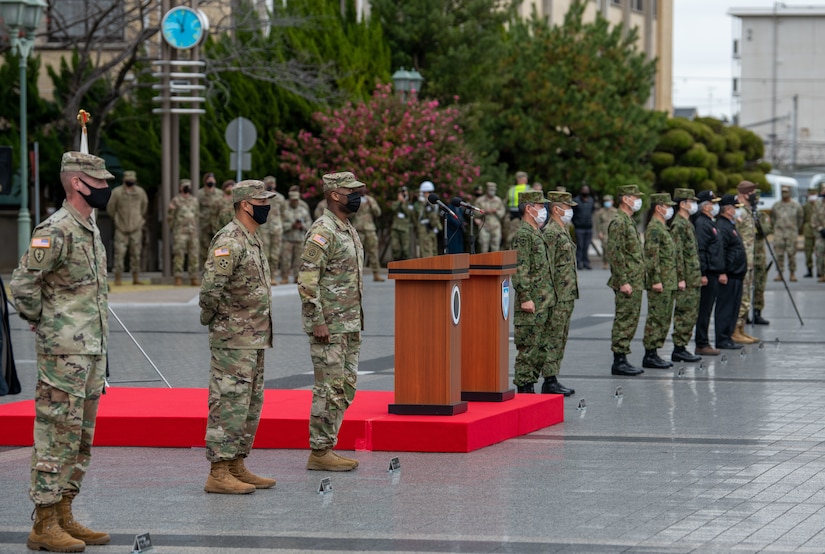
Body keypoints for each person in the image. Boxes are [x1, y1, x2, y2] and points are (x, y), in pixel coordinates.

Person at [10, 151, 114, 552]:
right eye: (100, 182)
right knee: (55, 435)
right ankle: (44, 521)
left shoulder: (90, 227)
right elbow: (22, 284)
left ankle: (66, 512)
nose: (106, 188)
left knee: (81, 437)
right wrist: (45, 320)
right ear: (77, 183)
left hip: (90, 351)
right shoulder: (54, 229)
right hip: (63, 353)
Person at [199, 179, 276, 495]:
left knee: (248, 403)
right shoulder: (229, 239)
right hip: (233, 338)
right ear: (246, 204)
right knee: (228, 402)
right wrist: (215, 321)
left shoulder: (252, 239)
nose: (266, 206)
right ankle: (218, 471)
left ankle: (236, 464)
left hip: (254, 337)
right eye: (262, 201)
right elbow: (210, 289)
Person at [298, 172, 365, 471]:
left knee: (345, 387)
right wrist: (317, 321)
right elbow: (307, 281)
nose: (356, 195)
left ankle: (328, 445)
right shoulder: (323, 231)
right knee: (328, 388)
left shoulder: (347, 228)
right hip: (330, 326)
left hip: (349, 324)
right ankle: (320, 451)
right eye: (349, 191)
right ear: (334, 195)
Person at [511, 190, 555, 393]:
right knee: (528, 349)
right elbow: (521, 269)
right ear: (529, 208)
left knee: (540, 348)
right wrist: (525, 297)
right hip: (531, 303)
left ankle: (530, 386)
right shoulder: (523, 235)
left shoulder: (536, 232)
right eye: (540, 206)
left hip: (544, 301)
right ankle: (524, 388)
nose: (544, 210)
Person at [540, 191, 578, 396]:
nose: (570, 211)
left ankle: (553, 377)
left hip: (566, 294)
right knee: (553, 337)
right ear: (556, 209)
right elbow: (547, 267)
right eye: (568, 207)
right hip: (557, 295)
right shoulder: (551, 232)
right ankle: (549, 379)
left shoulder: (562, 229)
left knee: (560, 337)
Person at [606, 185, 645, 376]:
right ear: (625, 199)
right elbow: (616, 253)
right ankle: (619, 360)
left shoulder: (628, 220)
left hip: (635, 279)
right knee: (624, 319)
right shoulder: (618, 221)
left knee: (631, 319)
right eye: (635, 197)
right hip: (627, 280)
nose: (638, 200)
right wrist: (622, 281)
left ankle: (623, 357)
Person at [641, 193, 678, 369]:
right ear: (659, 207)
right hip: (660, 281)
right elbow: (651, 256)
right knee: (656, 318)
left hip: (668, 280)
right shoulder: (654, 228)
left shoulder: (663, 227)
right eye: (667, 206)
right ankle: (650, 354)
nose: (670, 209)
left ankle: (655, 352)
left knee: (664, 318)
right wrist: (655, 279)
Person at [669, 188, 702, 362]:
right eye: (692, 202)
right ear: (683, 204)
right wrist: (681, 277)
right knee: (684, 312)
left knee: (691, 313)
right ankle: (678, 348)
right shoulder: (678, 225)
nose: (695, 205)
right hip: (686, 279)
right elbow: (678, 254)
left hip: (693, 277)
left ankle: (682, 346)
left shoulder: (687, 223)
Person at [715, 194, 747, 350]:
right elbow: (721, 251)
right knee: (725, 308)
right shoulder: (722, 226)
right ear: (727, 210)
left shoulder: (729, 224)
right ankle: (722, 338)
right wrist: (722, 271)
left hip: (736, 274)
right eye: (734, 208)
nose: (736, 211)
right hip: (729, 274)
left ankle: (727, 337)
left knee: (733, 308)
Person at [694, 190, 724, 355]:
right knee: (704, 311)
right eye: (712, 203)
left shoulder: (709, 222)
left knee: (707, 310)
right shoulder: (702, 223)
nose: (715, 206)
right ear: (705, 206)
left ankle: (704, 341)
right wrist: (703, 273)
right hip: (708, 274)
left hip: (713, 272)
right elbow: (701, 250)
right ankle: (701, 343)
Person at [107, 169, 147, 285]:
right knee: (119, 253)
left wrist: (138, 218)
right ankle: (118, 277)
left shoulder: (140, 192)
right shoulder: (117, 192)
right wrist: (116, 219)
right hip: (121, 227)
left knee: (136, 254)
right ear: (124, 179)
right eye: (128, 179)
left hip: (136, 227)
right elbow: (111, 208)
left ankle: (136, 277)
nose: (130, 181)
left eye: (132, 179)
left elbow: (144, 206)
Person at [733, 181, 760, 344]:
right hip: (741, 262)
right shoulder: (738, 212)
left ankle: (741, 329)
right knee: (741, 296)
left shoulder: (748, 211)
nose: (755, 195)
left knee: (746, 296)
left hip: (749, 262)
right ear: (745, 194)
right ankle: (735, 330)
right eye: (753, 192)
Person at [168, 178, 200, 286]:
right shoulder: (176, 200)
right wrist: (174, 228)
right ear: (180, 188)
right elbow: (170, 217)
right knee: (179, 254)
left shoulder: (194, 200)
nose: (187, 187)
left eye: (188, 186)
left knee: (194, 255)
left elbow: (196, 215)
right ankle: (178, 277)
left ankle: (193, 277)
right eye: (184, 186)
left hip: (192, 231)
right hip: (180, 232)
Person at [256, 176, 286, 286]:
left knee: (275, 254)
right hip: (263, 228)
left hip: (276, 228)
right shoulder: (260, 197)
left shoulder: (280, 198)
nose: (270, 185)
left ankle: (273, 276)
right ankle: (264, 276)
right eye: (268, 183)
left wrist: (279, 224)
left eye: (272, 183)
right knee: (265, 253)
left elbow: (283, 213)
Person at [770, 185, 803, 282]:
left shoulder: (796, 205)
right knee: (779, 254)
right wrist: (776, 227)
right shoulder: (776, 205)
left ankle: (792, 273)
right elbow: (773, 218)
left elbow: (800, 218)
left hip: (791, 233)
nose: (784, 193)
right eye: (783, 191)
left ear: (790, 192)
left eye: (786, 191)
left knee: (791, 254)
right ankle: (780, 273)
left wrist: (795, 228)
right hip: (779, 233)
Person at [352, 190, 385, 281]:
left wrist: (372, 205)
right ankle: (356, 275)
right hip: (358, 228)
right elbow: (349, 213)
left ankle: (376, 273)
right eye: (360, 188)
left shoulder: (370, 200)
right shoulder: (354, 199)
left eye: (364, 188)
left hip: (370, 228)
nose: (362, 190)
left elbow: (378, 213)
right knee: (357, 252)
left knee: (373, 251)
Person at [280, 188, 312, 284]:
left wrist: (302, 226)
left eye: (296, 200)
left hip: (299, 238)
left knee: (299, 260)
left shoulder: (303, 211)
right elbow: (280, 224)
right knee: (285, 259)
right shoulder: (285, 211)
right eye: (293, 200)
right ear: (290, 200)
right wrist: (291, 226)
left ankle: (296, 277)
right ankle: (284, 277)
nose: (295, 201)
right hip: (287, 239)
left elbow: (309, 223)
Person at [197, 172, 223, 272]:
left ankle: (218, 271)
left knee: (218, 249)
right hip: (204, 225)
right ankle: (205, 272)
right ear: (205, 181)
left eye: (212, 179)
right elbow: (196, 208)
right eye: (209, 179)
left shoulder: (219, 193)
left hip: (216, 226)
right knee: (204, 249)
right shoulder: (200, 194)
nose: (211, 181)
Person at [751, 202, 772, 324]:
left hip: (759, 256)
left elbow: (767, 230)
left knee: (759, 285)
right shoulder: (741, 215)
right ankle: (743, 316)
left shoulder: (762, 216)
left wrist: (758, 223)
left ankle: (757, 312)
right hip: (746, 256)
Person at [476, 182, 506, 253]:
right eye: (490, 190)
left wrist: (496, 212)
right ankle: (484, 263)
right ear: (487, 190)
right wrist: (485, 211)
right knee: (483, 247)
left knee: (495, 247)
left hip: (495, 226)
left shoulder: (498, 200)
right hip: (484, 226)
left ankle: (495, 263)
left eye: (493, 190)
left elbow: (502, 213)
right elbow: (475, 212)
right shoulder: (480, 200)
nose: (492, 191)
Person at [414, 181, 441, 258]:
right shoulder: (420, 203)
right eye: (428, 192)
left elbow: (435, 216)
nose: (430, 194)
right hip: (424, 229)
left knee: (434, 250)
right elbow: (418, 215)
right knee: (426, 252)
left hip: (432, 228)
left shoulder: (433, 203)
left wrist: (437, 226)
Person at [504, 171, 530, 249]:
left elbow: (505, 202)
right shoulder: (528, 189)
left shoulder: (511, 190)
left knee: (511, 238)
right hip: (525, 217)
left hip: (512, 216)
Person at [572, 185, 595, 270]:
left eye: (587, 190)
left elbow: (592, 211)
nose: (585, 191)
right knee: (580, 245)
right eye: (584, 190)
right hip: (579, 227)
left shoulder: (591, 200)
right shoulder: (576, 201)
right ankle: (579, 262)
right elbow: (573, 214)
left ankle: (586, 262)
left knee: (586, 246)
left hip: (588, 227)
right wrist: (576, 223)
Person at [390, 186, 415, 261]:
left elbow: (409, 213)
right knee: (395, 247)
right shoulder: (396, 203)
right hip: (396, 227)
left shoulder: (409, 204)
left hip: (405, 229)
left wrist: (404, 202)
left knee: (405, 249)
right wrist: (399, 201)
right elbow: (392, 209)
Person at [594, 194, 617, 269]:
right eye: (606, 201)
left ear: (612, 201)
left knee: (613, 248)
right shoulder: (600, 212)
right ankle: (605, 262)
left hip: (613, 232)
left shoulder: (615, 211)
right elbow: (597, 223)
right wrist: (599, 232)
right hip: (604, 232)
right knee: (605, 248)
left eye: (608, 201)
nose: (607, 202)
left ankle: (613, 262)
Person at [803, 189, 818, 278]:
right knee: (808, 252)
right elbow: (802, 218)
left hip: (819, 232)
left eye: (814, 194)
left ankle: (820, 271)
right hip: (808, 231)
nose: (812, 196)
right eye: (811, 194)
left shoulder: (820, 205)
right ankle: (809, 270)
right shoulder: (806, 206)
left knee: (819, 253)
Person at [813, 184, 825, 283]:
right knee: (819, 255)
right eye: (823, 190)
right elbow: (813, 219)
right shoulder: (818, 204)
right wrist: (820, 229)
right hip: (820, 234)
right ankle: (822, 274)